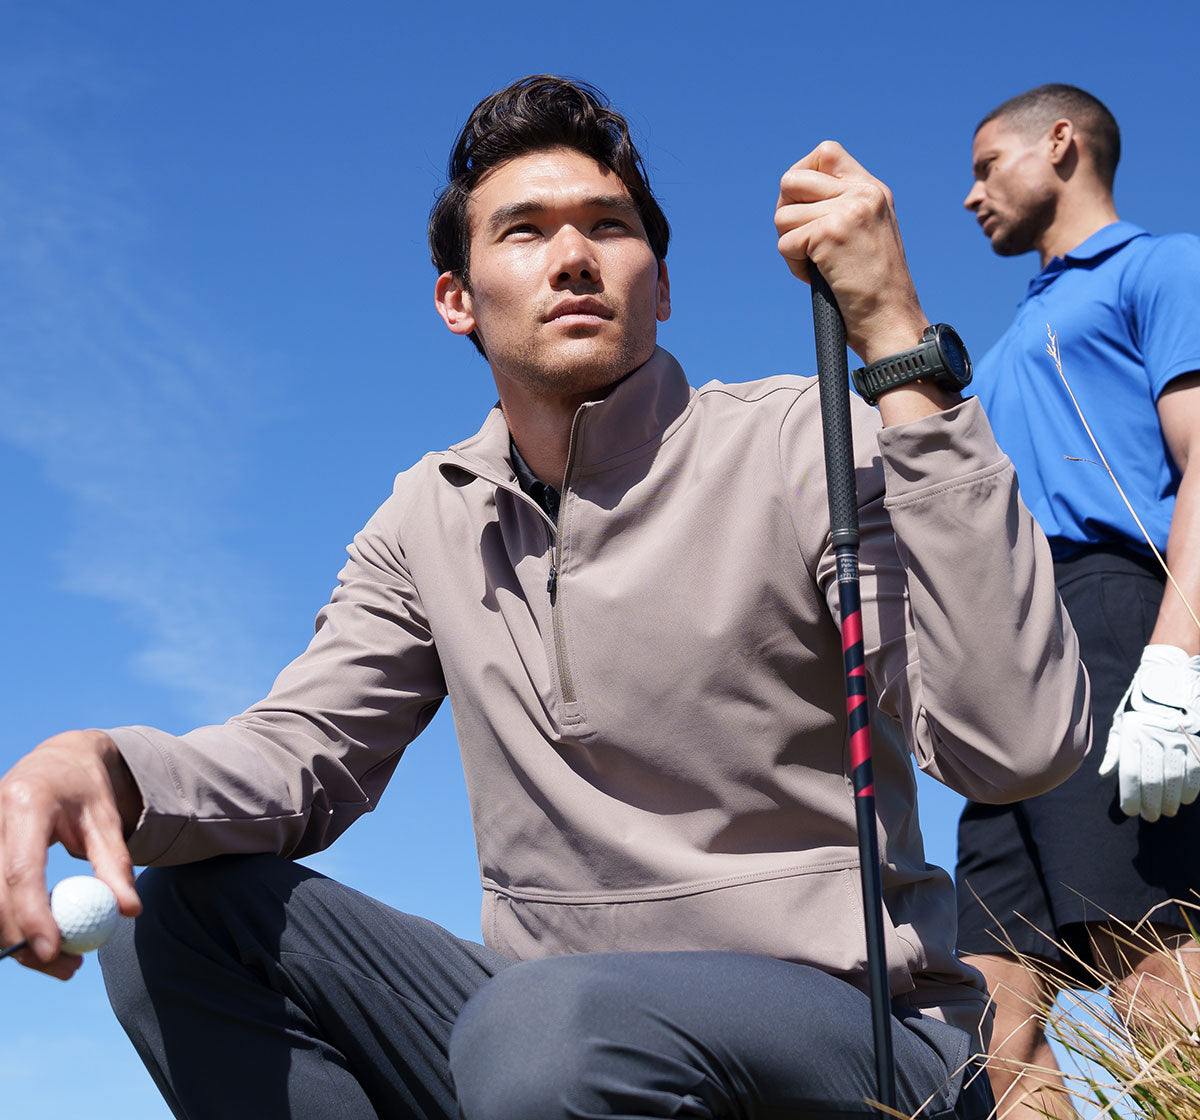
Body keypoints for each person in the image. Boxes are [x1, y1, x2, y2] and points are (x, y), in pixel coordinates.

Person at [0, 75, 1088, 1120]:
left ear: (661, 286)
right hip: (546, 1045)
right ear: (457, 301)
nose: (572, 257)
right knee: (178, 920)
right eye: (523, 231)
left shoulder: (803, 439)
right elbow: (299, 752)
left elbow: (1016, 743)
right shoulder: (425, 516)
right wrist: (106, 766)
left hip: (853, 1034)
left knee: (548, 1030)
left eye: (609, 228)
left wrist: (897, 343)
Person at [957, 83, 1200, 1119]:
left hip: (1110, 608)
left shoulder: (1160, 267)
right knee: (982, 1007)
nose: (970, 196)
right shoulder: (1011, 341)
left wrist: (1176, 660)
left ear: (1059, 144)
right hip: (1008, 644)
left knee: (1148, 959)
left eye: (983, 166)